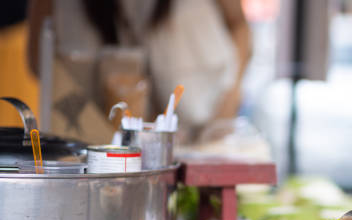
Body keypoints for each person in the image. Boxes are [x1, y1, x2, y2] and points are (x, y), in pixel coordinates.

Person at [27, 0, 251, 141]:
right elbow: (39, 62)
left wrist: (231, 97)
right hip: (99, 140)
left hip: (208, 128)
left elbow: (240, 25)